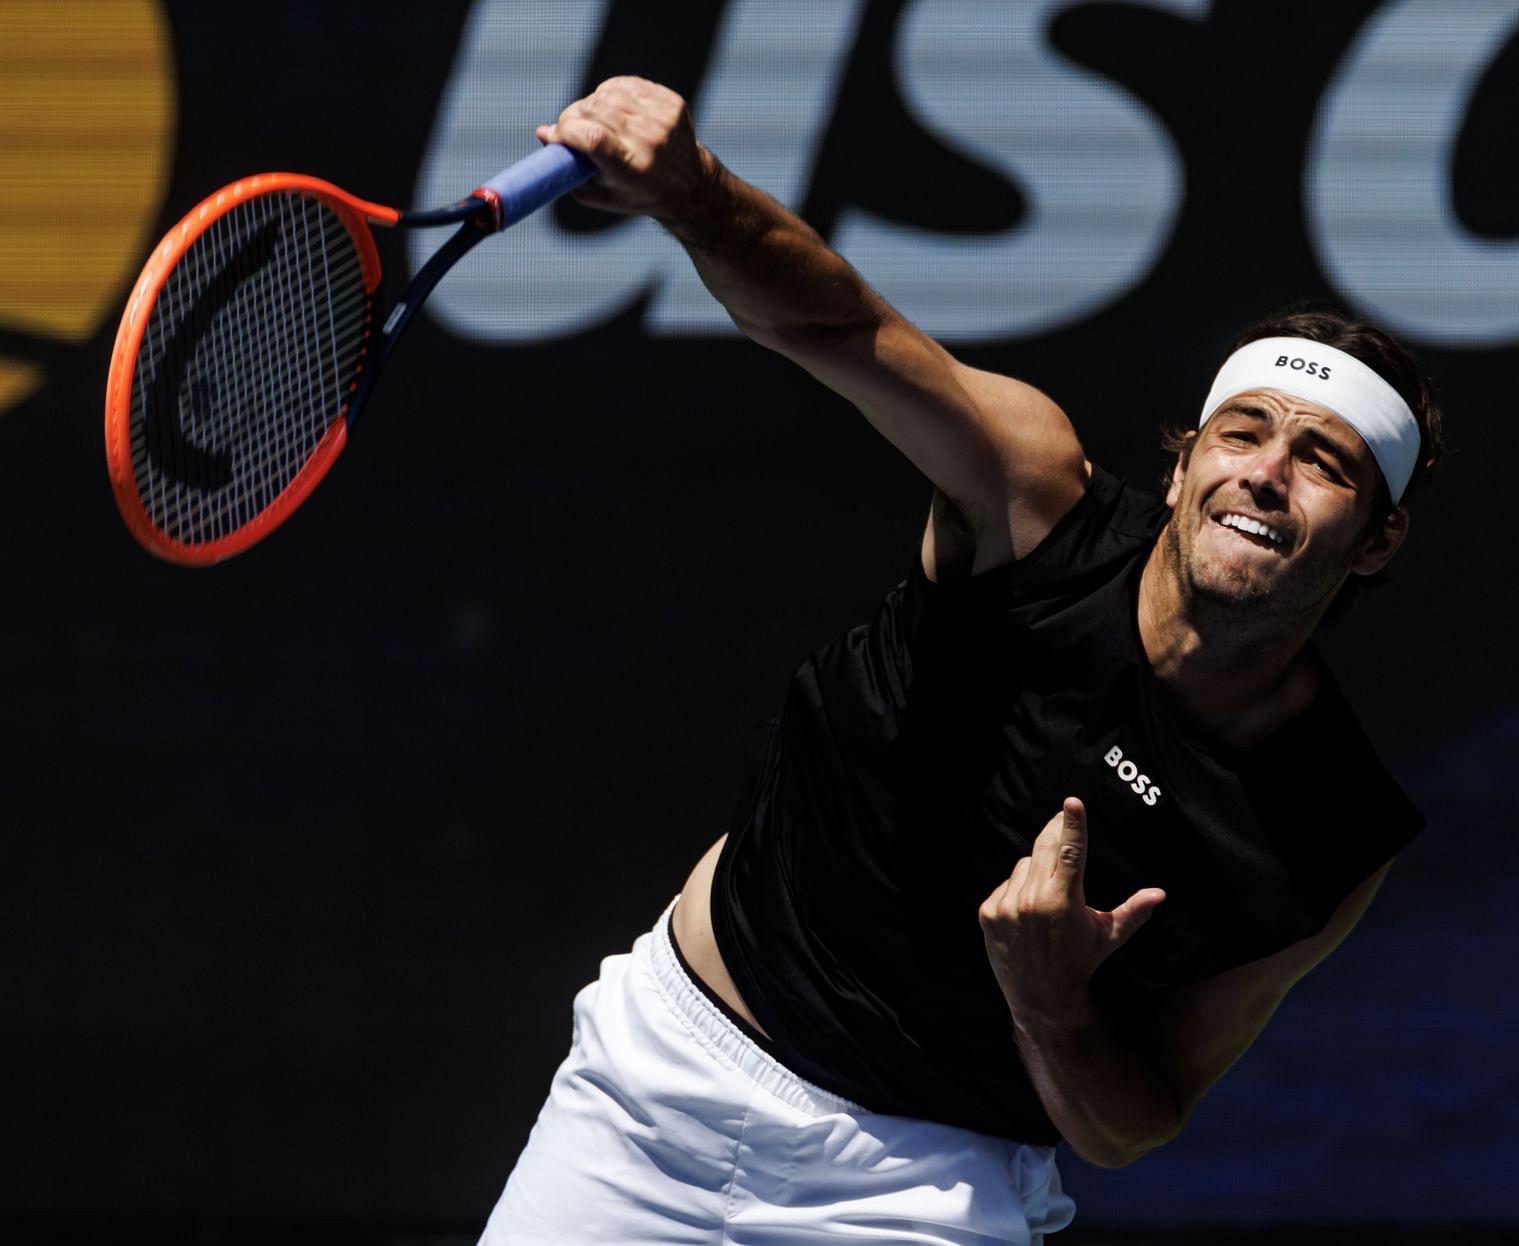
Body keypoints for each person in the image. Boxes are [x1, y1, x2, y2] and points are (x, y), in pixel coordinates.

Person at [479, 76, 1446, 1245]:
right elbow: (836, 326)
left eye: (1324, 461)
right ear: (1185, 463)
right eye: (1241, 433)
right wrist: (697, 196)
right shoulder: (1036, 502)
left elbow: (1133, 1122)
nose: (1266, 472)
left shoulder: (1329, 832)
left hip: (924, 1195)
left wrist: (1049, 1005)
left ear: (1379, 535)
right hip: (654, 1093)